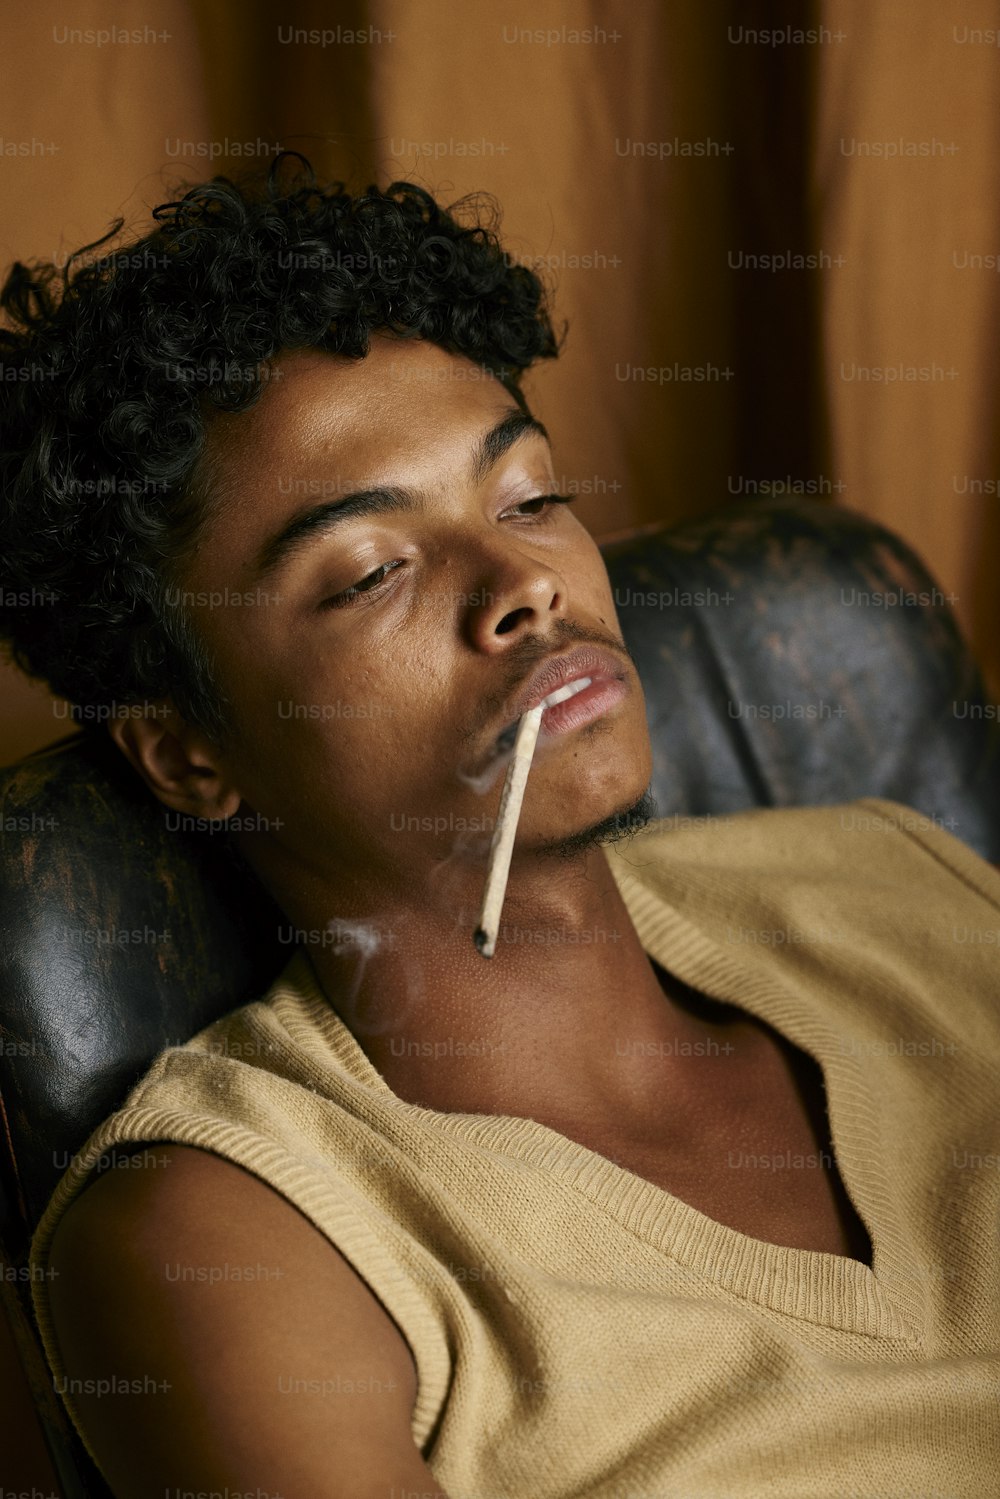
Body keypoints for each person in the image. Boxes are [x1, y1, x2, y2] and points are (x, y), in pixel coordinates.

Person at [1, 159, 998, 1499]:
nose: (524, 583)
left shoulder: (891, 881)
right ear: (191, 753)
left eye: (529, 498)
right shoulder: (235, 1235)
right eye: (371, 574)